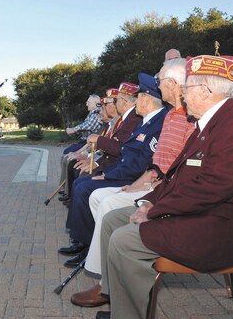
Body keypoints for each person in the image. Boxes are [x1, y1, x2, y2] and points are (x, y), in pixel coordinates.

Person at [93, 54, 233, 319]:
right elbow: (177, 178)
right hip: (205, 215)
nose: (182, 94)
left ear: (204, 91)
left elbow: (213, 187)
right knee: (114, 220)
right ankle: (124, 307)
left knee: (125, 240)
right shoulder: (211, 123)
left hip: (223, 229)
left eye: (187, 88)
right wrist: (147, 203)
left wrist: (156, 212)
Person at [70, 57, 195, 306]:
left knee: (106, 203)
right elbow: (155, 166)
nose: (135, 101)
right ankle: (106, 276)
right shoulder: (171, 118)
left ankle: (106, 282)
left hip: (164, 192)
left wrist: (145, 191)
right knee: (98, 197)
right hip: (150, 183)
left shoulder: (181, 119)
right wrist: (140, 186)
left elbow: (163, 170)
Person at [61, 73, 168, 267]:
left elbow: (140, 163)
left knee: (85, 187)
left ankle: (86, 246)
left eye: (117, 100)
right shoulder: (144, 122)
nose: (136, 103)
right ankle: (84, 243)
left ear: (144, 98)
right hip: (124, 172)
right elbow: (128, 154)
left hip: (133, 177)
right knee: (83, 183)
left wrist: (107, 175)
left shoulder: (153, 122)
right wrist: (105, 172)